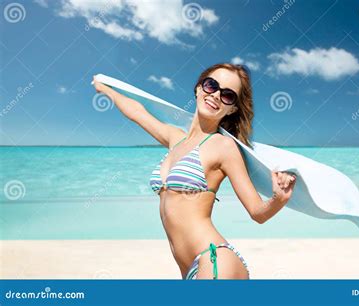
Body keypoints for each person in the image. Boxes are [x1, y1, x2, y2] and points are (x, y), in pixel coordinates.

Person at [92, 63, 297, 279]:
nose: (216, 95)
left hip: (214, 260)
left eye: (227, 95)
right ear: (199, 88)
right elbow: (137, 113)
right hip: (189, 270)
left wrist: (279, 198)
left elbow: (257, 212)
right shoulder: (175, 139)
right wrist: (105, 89)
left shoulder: (223, 147)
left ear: (232, 109)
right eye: (211, 85)